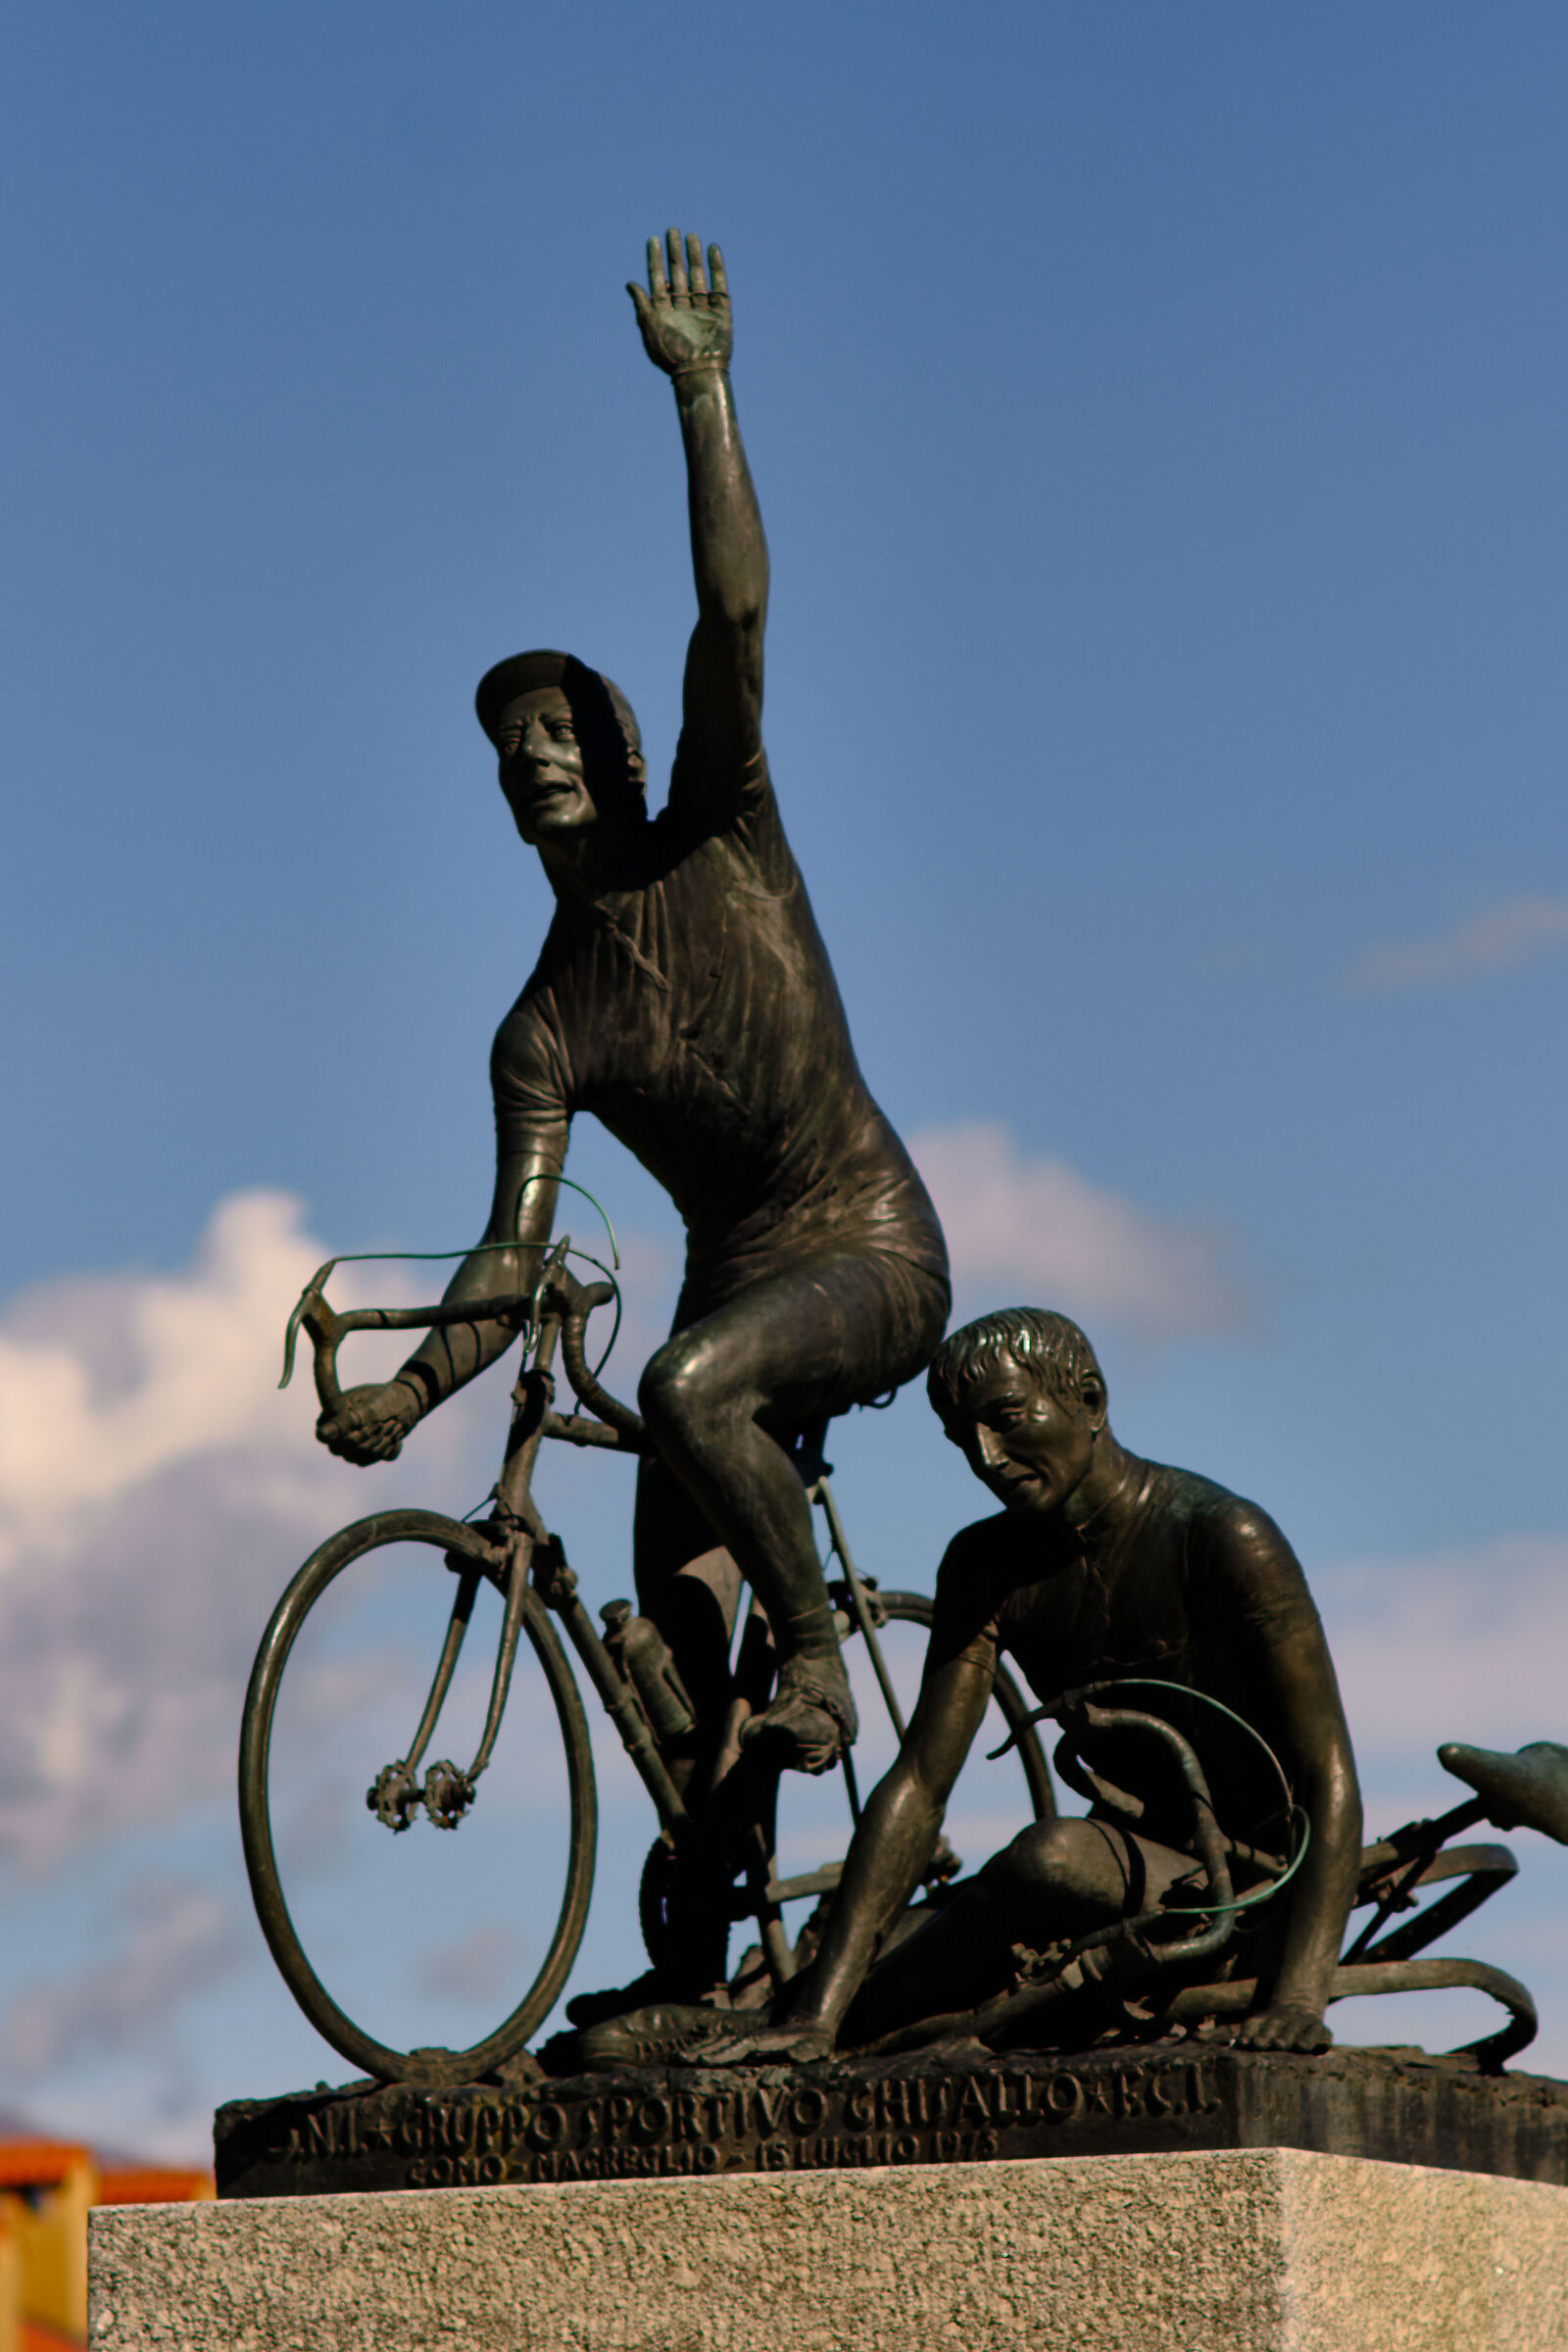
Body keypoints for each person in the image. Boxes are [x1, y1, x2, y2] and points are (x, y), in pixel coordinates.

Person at [315, 232, 950, 1983]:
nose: (526, 750)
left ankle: (819, 1659)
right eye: (503, 739)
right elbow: (509, 1256)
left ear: (617, 745)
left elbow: (733, 611)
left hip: (864, 1247)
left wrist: (703, 394)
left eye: (553, 722)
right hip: (731, 1281)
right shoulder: (541, 1033)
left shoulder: (720, 824)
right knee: (667, 1653)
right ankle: (709, 1953)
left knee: (685, 1390)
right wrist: (409, 1391)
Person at [635, 1304, 1362, 2065]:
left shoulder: (1223, 1535)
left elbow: (1327, 1772)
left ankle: (780, 2026)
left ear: (1089, 1399)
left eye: (1008, 1419)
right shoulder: (983, 1567)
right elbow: (918, 1784)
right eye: (963, 1440)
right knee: (918, 1933)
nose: (987, 1457)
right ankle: (777, 2020)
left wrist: (1299, 1997)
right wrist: (818, 2008)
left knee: (1047, 1859)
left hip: (1246, 1879)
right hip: (1125, 1864)